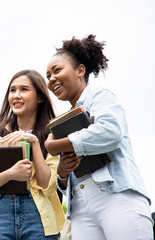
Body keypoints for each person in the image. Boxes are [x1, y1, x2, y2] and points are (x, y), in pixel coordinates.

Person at [45, 34, 153, 240]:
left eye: (57, 70)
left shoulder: (100, 97)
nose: (51, 79)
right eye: (48, 75)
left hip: (117, 196)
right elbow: (64, 178)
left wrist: (55, 146)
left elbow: (110, 132)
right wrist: (62, 173)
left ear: (80, 70)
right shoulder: (64, 121)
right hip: (80, 207)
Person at [0, 70, 65, 240]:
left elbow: (48, 185)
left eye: (24, 89)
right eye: (12, 90)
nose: (16, 95)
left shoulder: (51, 135)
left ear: (39, 97)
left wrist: (35, 143)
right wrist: (10, 174)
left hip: (38, 216)